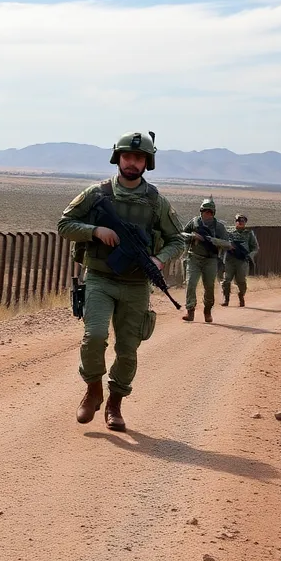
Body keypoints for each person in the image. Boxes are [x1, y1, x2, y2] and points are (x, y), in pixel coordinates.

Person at [57, 132, 185, 432]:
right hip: (100, 278)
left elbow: (178, 240)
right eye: (127, 156)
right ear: (118, 158)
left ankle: (115, 403)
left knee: (128, 349)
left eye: (138, 158)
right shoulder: (96, 193)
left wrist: (159, 258)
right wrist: (95, 231)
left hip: (136, 285)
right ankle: (93, 390)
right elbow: (64, 225)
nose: (132, 162)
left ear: (147, 162)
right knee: (95, 336)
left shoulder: (156, 202)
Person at [182, 198, 230, 322]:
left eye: (210, 212)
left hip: (210, 260)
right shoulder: (194, 222)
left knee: (209, 286)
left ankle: (207, 310)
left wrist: (210, 240)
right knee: (191, 283)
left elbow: (227, 243)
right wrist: (192, 236)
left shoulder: (218, 226)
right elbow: (182, 234)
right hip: (194, 258)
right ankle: (190, 310)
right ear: (201, 211)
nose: (207, 214)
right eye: (205, 211)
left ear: (213, 213)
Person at [222, 213, 259, 307]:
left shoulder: (249, 233)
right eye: (238, 220)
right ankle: (226, 299)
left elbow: (255, 247)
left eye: (242, 221)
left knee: (241, 281)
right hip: (229, 260)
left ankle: (241, 295)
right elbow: (222, 242)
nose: (240, 222)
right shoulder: (229, 232)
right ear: (235, 222)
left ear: (245, 222)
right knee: (226, 280)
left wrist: (249, 256)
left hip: (242, 261)